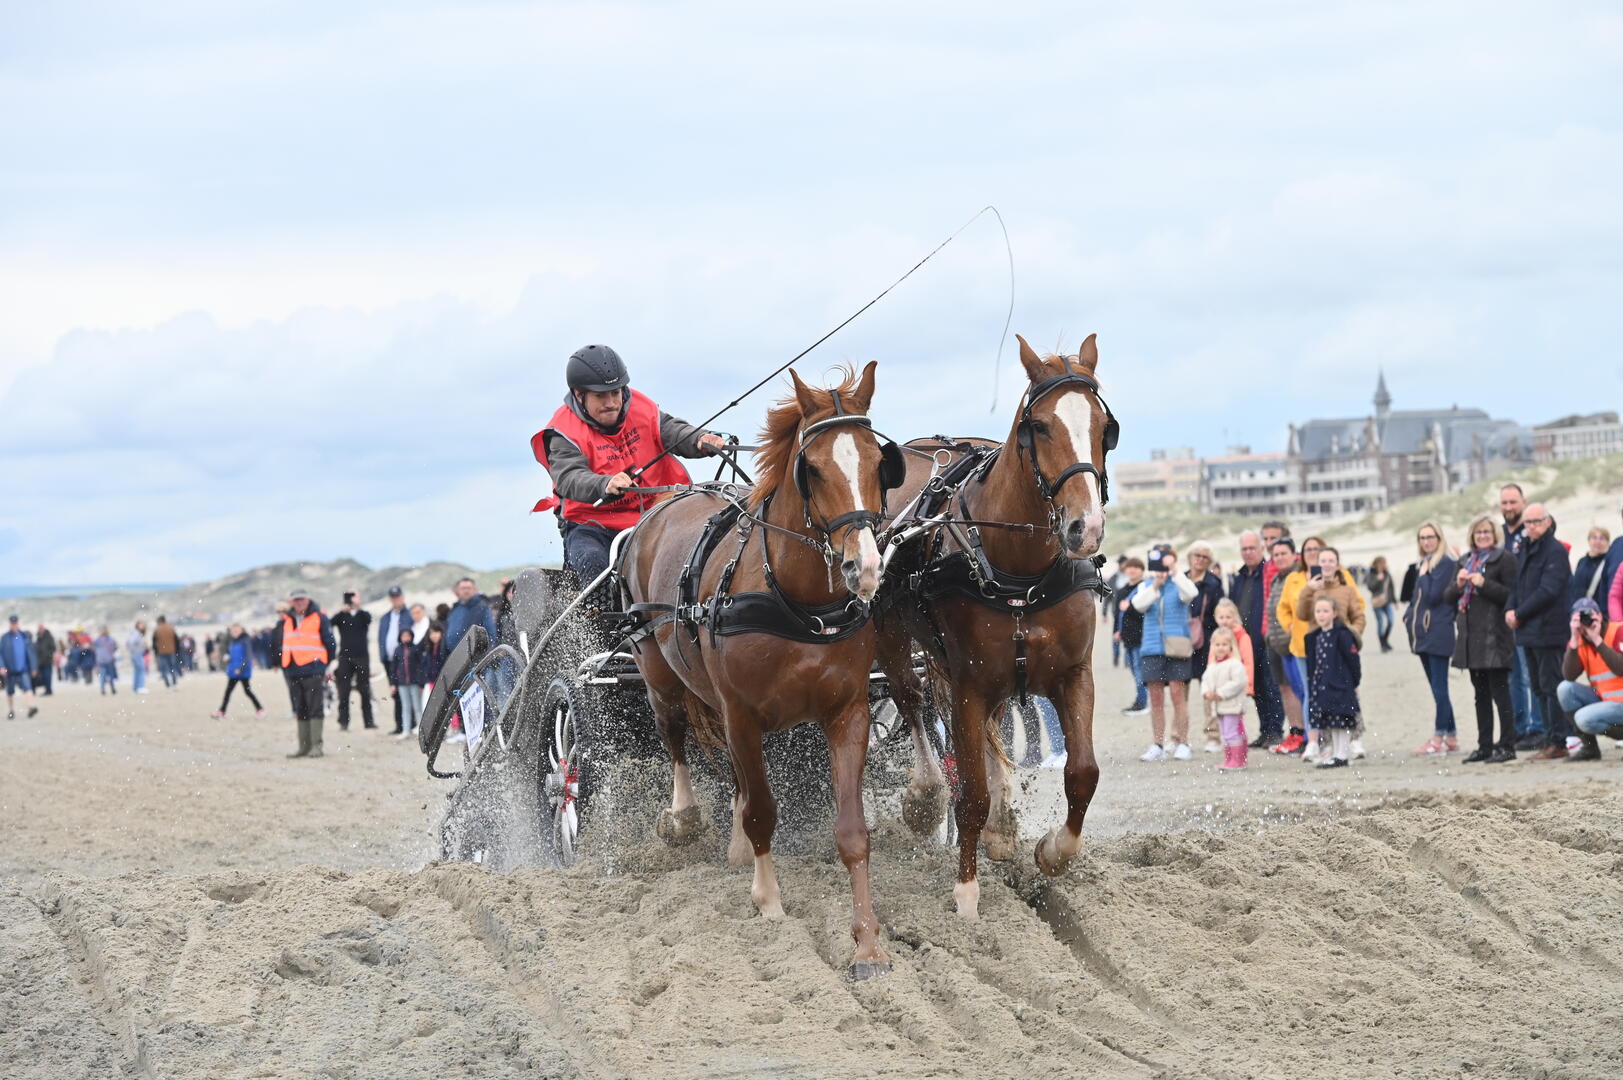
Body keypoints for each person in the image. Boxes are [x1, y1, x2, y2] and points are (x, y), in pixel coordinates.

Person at [532, 344, 727, 584]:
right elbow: (569, 477)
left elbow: (673, 431)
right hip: (591, 526)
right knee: (592, 562)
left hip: (656, 516)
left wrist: (700, 439)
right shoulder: (563, 432)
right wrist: (604, 484)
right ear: (579, 395)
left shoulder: (642, 409)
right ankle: (599, 609)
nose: (611, 402)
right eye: (600, 396)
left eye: (615, 393)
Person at [1443, 517, 1519, 763]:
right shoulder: (1464, 561)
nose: (1483, 536)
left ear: (1495, 534)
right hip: (1470, 638)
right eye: (1478, 532)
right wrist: (1459, 584)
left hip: (1495, 637)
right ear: (1472, 536)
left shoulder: (1505, 559)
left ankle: (1507, 746)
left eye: (1487, 532)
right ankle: (1484, 746)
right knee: (1480, 696)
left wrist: (1484, 584)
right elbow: (1448, 597)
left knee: (1501, 694)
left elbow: (1511, 595)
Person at [1507, 503, 1574, 760]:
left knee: (1551, 686)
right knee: (1537, 686)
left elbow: (1549, 591)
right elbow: (1516, 585)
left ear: (1547, 521)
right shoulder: (1524, 548)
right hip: (1528, 630)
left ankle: (1558, 740)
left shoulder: (1555, 551)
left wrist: (1520, 613)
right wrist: (1510, 609)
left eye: (1536, 521)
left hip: (1549, 630)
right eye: (1528, 522)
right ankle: (1549, 738)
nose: (1532, 527)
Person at [1131, 544, 1199, 761]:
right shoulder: (1146, 586)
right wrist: (1156, 585)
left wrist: (1175, 571)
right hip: (1152, 647)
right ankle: (1158, 744)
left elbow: (1192, 593)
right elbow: (1138, 605)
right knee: (1156, 698)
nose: (1161, 568)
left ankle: (1183, 742)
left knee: (1178, 695)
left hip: (1177, 646)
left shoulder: (1179, 583)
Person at [1403, 522, 1457, 756]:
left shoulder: (1445, 563)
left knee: (1440, 688)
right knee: (1436, 688)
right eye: (1422, 538)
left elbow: (1435, 596)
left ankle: (1438, 737)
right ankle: (1451, 736)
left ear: (1439, 538)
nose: (1426, 541)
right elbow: (1415, 598)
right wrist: (1408, 617)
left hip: (1438, 632)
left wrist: (1425, 575)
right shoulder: (1424, 563)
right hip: (1422, 634)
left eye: (1430, 537)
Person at [1230, 531, 1283, 748]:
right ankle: (1264, 731)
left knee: (1272, 688)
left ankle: (1275, 731)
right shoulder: (1239, 577)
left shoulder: (1269, 572)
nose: (1248, 552)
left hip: (1267, 641)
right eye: (1244, 549)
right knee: (1257, 689)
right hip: (1245, 644)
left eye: (1252, 548)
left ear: (1261, 549)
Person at [1273, 536, 1326, 756]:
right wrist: (1289, 626)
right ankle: (1312, 739)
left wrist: (1351, 631)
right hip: (1302, 643)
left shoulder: (1336, 574)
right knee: (1308, 691)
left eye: (1316, 548)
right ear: (1302, 554)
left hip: (1331, 642)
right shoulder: (1294, 578)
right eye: (1308, 549)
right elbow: (1282, 608)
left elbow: (1354, 603)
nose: (1312, 552)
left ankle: (1343, 738)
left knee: (1333, 689)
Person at [272, 588, 337, 759]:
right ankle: (303, 747)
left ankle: (316, 746)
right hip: (292, 670)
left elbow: (330, 643)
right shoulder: (287, 620)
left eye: (302, 599)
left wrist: (325, 665)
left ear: (308, 600)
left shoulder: (319, 617)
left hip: (313, 669)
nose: (299, 602)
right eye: (296, 600)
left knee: (315, 708)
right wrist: (280, 662)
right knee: (300, 709)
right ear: (291, 602)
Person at [1558, 599, 1623, 761]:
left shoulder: (1618, 630)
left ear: (1600, 616)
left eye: (1590, 616)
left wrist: (1597, 640)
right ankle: (1589, 748)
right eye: (1580, 619)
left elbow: (1620, 668)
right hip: (1606, 700)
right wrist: (1574, 639)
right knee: (1565, 689)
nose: (1586, 622)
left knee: (1584, 718)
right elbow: (1569, 675)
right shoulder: (1579, 640)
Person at [1499, 483, 1537, 747]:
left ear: (1523, 502)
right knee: (1513, 676)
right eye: (1505, 502)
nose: (1509, 507)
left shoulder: (1532, 531)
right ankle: (1519, 728)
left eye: (1513, 502)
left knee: (1530, 675)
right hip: (1505, 616)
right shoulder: (1499, 536)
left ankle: (1538, 727)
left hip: (1530, 615)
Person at [1304, 596, 1362, 769]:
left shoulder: (1343, 635)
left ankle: (1342, 755)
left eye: (1325, 611)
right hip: (1323, 686)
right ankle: (1337, 753)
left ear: (1335, 613)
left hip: (1341, 685)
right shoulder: (1315, 637)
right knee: (1331, 721)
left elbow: (1353, 660)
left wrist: (1354, 682)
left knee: (1342, 720)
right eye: (1318, 611)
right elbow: (1313, 664)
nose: (1321, 615)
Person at [1183, 541, 1225, 754]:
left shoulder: (1214, 583)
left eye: (1205, 557)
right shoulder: (1180, 579)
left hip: (1207, 641)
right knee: (1179, 692)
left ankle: (1213, 736)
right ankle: (1180, 738)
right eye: (1197, 555)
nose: (1200, 559)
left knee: (1209, 690)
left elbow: (1220, 614)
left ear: (1210, 561)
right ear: (1190, 556)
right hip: (1181, 641)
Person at [1201, 627, 1250, 771]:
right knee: (1225, 733)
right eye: (1217, 644)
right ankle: (1230, 759)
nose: (1220, 648)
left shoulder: (1235, 664)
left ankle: (1238, 760)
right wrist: (1206, 692)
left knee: (1231, 733)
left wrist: (1220, 693)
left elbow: (1238, 682)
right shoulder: (1212, 666)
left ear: (1231, 646)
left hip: (1233, 706)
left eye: (1224, 644)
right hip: (1219, 707)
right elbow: (1205, 680)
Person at [330, 591, 375, 731]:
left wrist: (358, 607)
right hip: (345, 657)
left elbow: (369, 619)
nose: (353, 600)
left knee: (365, 690)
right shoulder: (342, 616)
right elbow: (330, 622)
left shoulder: (363, 615)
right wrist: (341, 611)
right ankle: (343, 722)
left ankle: (369, 722)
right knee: (343, 691)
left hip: (362, 657)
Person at [376, 586, 412, 735]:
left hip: (405, 659)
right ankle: (399, 725)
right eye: (393, 597)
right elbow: (381, 637)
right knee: (394, 691)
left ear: (402, 597)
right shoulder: (385, 617)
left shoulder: (409, 614)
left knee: (407, 691)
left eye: (398, 596)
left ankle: (410, 724)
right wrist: (382, 654)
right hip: (389, 660)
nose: (396, 599)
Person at [1115, 557, 1148, 715]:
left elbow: (1146, 613)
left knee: (1140, 671)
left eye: (1136, 567)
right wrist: (1116, 631)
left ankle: (1142, 703)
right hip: (1127, 637)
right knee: (1135, 672)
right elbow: (1117, 614)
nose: (1132, 570)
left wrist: (1130, 607)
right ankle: (1142, 700)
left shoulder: (1145, 588)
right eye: (1130, 567)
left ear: (1142, 570)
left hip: (1142, 637)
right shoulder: (1122, 591)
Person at [212, 624, 265, 719]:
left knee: (247, 691)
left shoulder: (245, 640)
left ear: (241, 630)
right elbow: (233, 654)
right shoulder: (233, 641)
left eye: (236, 631)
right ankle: (222, 711)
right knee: (228, 692)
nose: (234, 633)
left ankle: (260, 709)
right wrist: (227, 658)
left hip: (242, 671)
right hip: (233, 670)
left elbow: (248, 657)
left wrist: (241, 669)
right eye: (233, 631)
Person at [389, 627, 427, 740]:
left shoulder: (416, 649)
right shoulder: (397, 650)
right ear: (400, 637)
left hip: (414, 683)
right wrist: (393, 683)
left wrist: (421, 683)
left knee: (417, 707)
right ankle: (406, 730)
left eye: (408, 636)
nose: (406, 638)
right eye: (403, 636)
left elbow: (421, 666)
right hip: (402, 683)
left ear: (411, 636)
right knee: (405, 707)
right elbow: (393, 668)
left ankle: (421, 731)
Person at [443, 578, 498, 656]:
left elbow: (491, 634)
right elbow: (447, 632)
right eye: (463, 588)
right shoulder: (455, 608)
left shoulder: (482, 608)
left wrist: (482, 656)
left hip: (472, 657)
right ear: (458, 590)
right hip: (452, 657)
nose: (466, 591)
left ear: (474, 590)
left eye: (469, 588)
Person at [2, 615, 40, 719]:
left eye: (15, 623)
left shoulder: (24, 637)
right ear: (10, 624)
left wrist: (33, 667)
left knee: (28, 688)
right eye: (12, 624)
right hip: (10, 670)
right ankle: (11, 710)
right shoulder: (5, 638)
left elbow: (31, 653)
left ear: (18, 624)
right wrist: (2, 666)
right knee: (10, 691)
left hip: (23, 669)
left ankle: (31, 707)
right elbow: (0, 654)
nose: (14, 625)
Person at [1570, 528, 1613, 611]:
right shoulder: (1582, 561)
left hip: (1600, 611)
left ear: (1608, 542)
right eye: (1594, 537)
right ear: (1589, 541)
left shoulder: (1609, 562)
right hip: (1579, 609)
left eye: (1602, 538)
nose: (1598, 541)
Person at [1367, 556, 1397, 653]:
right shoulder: (1371, 573)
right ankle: (1382, 645)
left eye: (1384, 563)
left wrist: (1395, 601)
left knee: (1391, 621)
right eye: (1381, 563)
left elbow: (1391, 587)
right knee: (1381, 623)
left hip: (1387, 601)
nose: (1383, 565)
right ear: (1376, 564)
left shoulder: (1387, 573)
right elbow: (1370, 587)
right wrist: (1378, 579)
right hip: (1377, 602)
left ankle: (1385, 641)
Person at [152, 616, 181, 689]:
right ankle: (174, 683)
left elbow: (154, 642)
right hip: (172, 651)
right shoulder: (171, 628)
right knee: (172, 667)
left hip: (161, 652)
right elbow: (177, 640)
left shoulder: (157, 630)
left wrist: (156, 652)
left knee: (163, 669)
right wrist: (177, 651)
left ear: (159, 621)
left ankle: (167, 684)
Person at [93, 627, 118, 694]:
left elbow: (93, 648)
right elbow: (115, 647)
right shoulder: (111, 639)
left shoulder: (97, 640)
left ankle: (102, 688)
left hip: (100, 660)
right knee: (110, 675)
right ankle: (112, 687)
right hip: (109, 659)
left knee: (102, 675)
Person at [127, 621, 148, 695]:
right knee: (141, 670)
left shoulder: (136, 633)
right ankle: (141, 687)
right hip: (137, 654)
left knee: (137, 671)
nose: (142, 626)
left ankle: (136, 687)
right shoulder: (136, 633)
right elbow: (130, 642)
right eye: (141, 625)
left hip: (136, 654)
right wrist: (135, 650)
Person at [34, 625, 55, 696]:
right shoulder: (38, 637)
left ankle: (48, 690)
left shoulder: (49, 637)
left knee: (47, 676)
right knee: (43, 676)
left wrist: (48, 655)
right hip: (40, 661)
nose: (40, 630)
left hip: (47, 661)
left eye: (41, 628)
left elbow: (53, 648)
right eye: (39, 628)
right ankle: (47, 690)